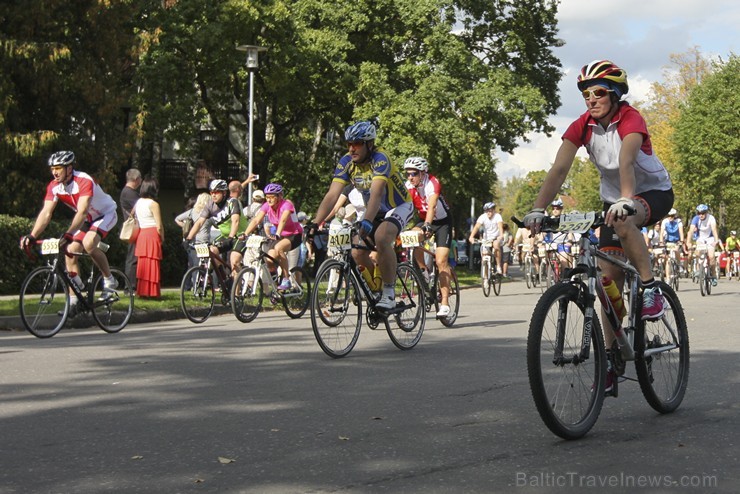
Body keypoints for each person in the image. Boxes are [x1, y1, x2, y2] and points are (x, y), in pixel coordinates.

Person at [522, 60, 673, 395]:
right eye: (586, 93)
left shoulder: (630, 118)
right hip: (615, 199)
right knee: (607, 282)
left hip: (651, 191)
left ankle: (650, 290)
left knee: (623, 219)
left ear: (616, 94)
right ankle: (611, 356)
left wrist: (626, 200)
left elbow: (626, 161)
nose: (591, 98)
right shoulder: (583, 125)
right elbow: (560, 169)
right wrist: (538, 208)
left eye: (599, 92)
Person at [311, 120, 414, 310]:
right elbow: (332, 194)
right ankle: (376, 288)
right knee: (357, 251)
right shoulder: (346, 162)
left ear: (369, 144)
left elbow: (376, 194)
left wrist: (366, 220)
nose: (351, 149)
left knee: (382, 237)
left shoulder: (381, 158)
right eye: (349, 144)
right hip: (374, 210)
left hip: (397, 206)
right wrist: (315, 222)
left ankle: (389, 293)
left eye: (357, 144)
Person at [19, 151, 119, 315]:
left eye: (58, 168)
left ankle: (109, 280)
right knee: (70, 251)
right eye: (52, 168)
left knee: (88, 243)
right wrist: (32, 236)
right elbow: (46, 213)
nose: (54, 172)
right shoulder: (54, 186)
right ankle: (74, 302)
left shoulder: (84, 180)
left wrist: (69, 233)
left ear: (69, 168)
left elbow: (82, 211)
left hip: (105, 214)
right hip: (87, 219)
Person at [403, 156, 455, 317]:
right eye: (408, 174)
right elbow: (404, 207)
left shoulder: (432, 183)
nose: (410, 177)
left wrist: (427, 224)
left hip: (442, 222)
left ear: (422, 173)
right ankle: (424, 274)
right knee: (410, 241)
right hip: (423, 220)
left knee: (441, 261)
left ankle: (445, 303)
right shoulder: (408, 186)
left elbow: (431, 206)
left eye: (414, 173)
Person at [240, 183, 303, 290]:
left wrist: (277, 233)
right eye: (267, 197)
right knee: (269, 258)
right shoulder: (266, 206)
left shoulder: (287, 205)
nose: (269, 200)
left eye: (272, 197)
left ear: (279, 196)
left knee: (279, 248)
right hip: (281, 236)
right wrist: (245, 233)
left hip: (294, 234)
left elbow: (283, 220)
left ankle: (286, 279)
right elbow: (256, 220)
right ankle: (276, 282)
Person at [184, 179, 248, 281]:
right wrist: (188, 238)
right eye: (211, 192)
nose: (213, 195)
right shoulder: (210, 205)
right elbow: (199, 222)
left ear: (224, 192)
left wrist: (231, 237)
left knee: (234, 261)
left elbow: (235, 221)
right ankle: (224, 280)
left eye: (216, 192)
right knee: (211, 251)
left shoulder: (232, 202)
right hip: (226, 236)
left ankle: (236, 295)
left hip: (240, 235)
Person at [133, 177, 164, 298]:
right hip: (152, 234)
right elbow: (159, 225)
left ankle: (142, 291)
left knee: (143, 264)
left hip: (142, 234)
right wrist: (162, 237)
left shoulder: (138, 202)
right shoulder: (154, 204)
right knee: (153, 262)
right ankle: (153, 292)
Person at [175, 193, 211, 288]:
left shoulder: (192, 211)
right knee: (204, 265)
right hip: (204, 241)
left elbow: (177, 219)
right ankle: (200, 285)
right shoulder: (209, 213)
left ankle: (188, 285)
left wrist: (188, 228)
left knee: (193, 265)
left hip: (193, 241)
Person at [686, 204, 723, 286]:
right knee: (698, 252)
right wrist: (688, 242)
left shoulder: (711, 218)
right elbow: (691, 231)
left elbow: (714, 229)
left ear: (706, 213)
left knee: (711, 256)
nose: (701, 215)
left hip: (710, 238)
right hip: (701, 238)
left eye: (703, 213)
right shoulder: (695, 219)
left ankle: (713, 275)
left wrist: (716, 240)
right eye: (699, 213)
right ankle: (699, 269)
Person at [468, 202, 503, 284]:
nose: (488, 213)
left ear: (494, 210)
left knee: (496, 245)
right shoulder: (483, 217)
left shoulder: (497, 216)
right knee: (484, 256)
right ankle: (486, 278)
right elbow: (476, 226)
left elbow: (500, 226)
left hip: (496, 237)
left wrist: (501, 235)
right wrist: (471, 236)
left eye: (490, 211)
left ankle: (498, 266)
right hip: (486, 239)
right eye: (487, 211)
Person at [120, 168, 142, 285]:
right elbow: (140, 208)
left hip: (134, 229)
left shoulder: (127, 192)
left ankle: (132, 285)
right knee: (133, 258)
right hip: (134, 229)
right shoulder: (129, 193)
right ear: (136, 179)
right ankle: (130, 286)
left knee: (133, 257)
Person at [660, 208, 684, 280]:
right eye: (669, 216)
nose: (670, 217)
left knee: (677, 250)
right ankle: (668, 278)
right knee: (668, 260)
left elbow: (681, 232)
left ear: (675, 216)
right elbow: (661, 233)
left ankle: (679, 265)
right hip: (668, 241)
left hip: (676, 240)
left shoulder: (678, 222)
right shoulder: (665, 221)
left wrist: (682, 241)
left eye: (672, 216)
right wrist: (661, 242)